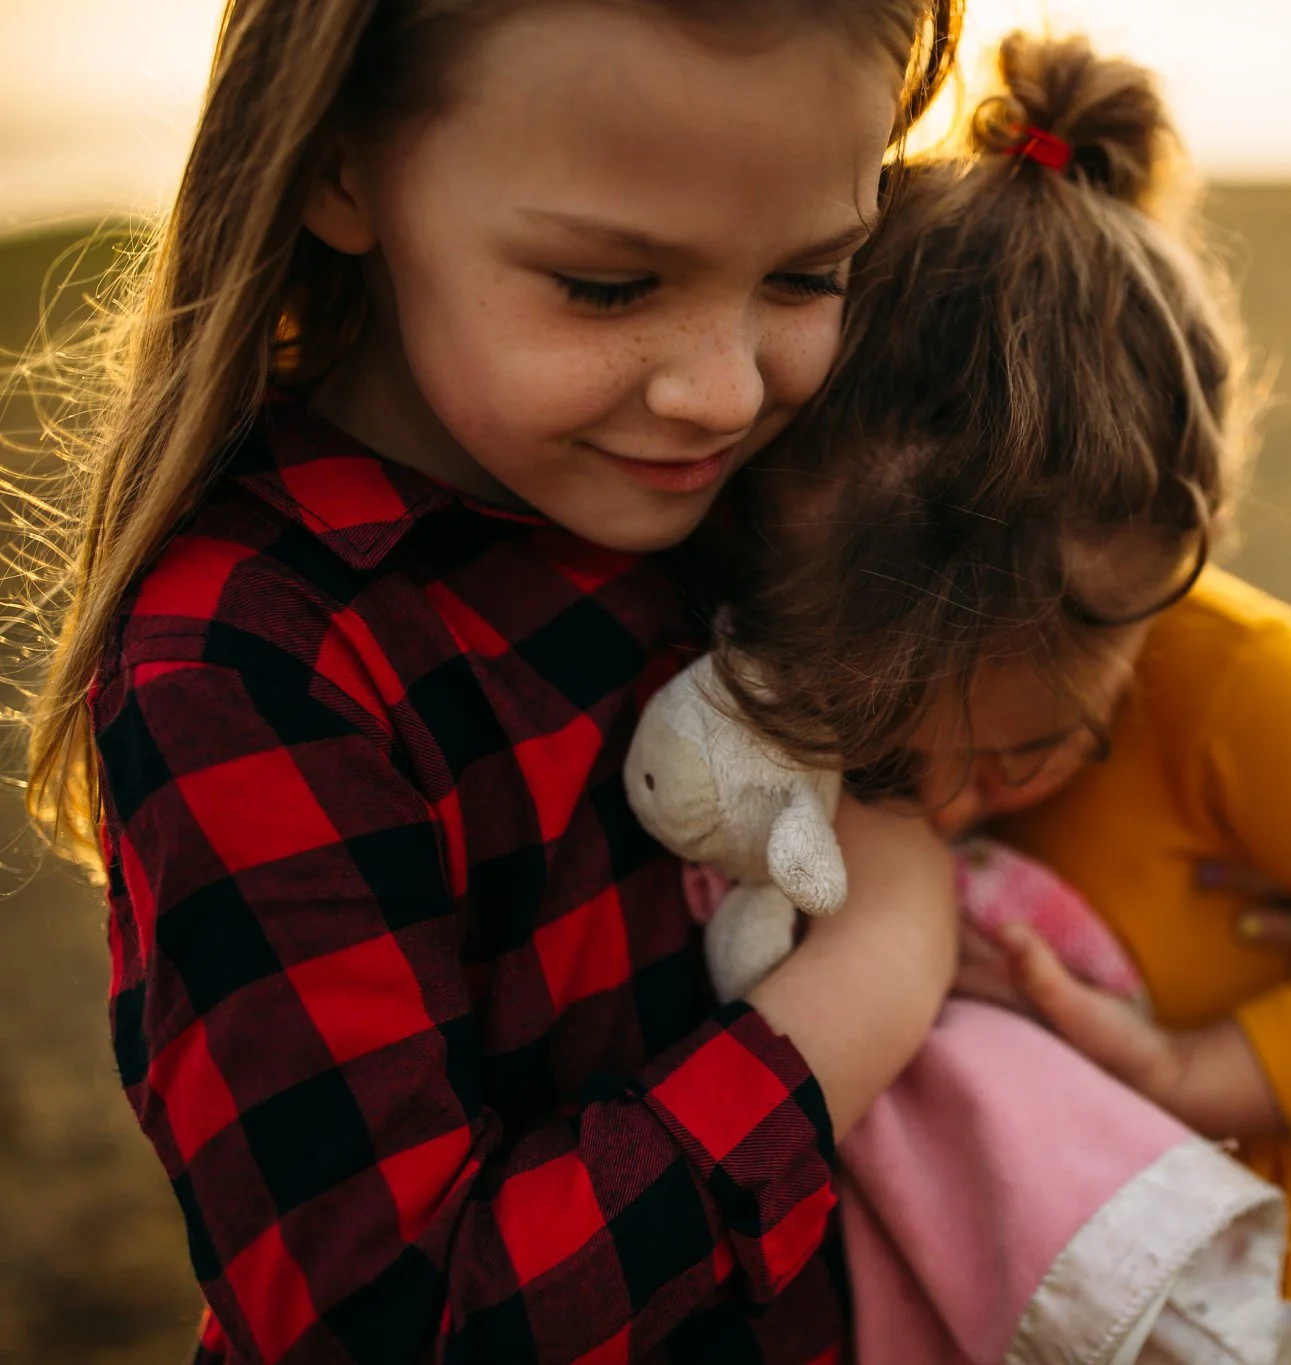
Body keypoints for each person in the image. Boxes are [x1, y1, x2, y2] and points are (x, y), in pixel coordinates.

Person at [18, 1, 968, 1360]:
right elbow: (404, 1325)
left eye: (808, 276)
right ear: (341, 168)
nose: (720, 390)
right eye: (607, 286)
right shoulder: (249, 661)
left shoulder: (774, 490)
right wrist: (869, 978)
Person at [712, 32, 1291, 1365]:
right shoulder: (757, 575)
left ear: (1149, 609)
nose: (947, 803)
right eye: (883, 755)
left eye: (1027, 751)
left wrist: (1192, 1067)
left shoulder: (1231, 689)